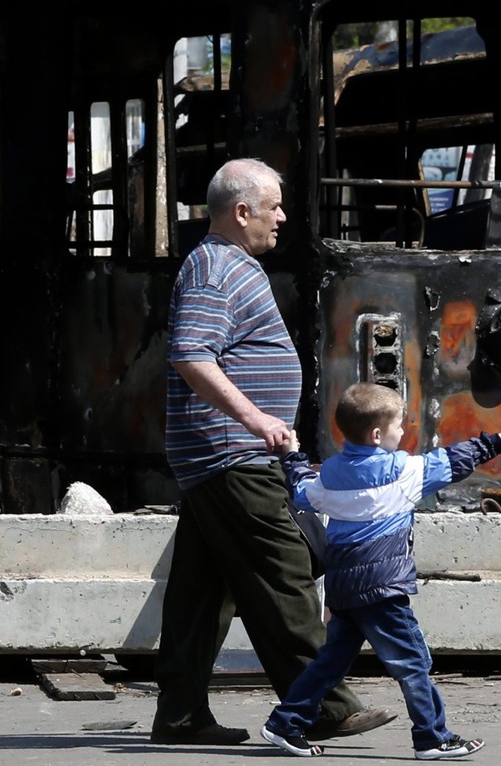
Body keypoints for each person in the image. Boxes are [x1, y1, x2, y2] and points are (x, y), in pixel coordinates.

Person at [152, 159, 397, 745]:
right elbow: (191, 354)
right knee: (283, 571)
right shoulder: (216, 268)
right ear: (241, 212)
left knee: (201, 592)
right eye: (275, 207)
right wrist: (256, 417)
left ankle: (180, 717)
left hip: (219, 454)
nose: (283, 217)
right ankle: (325, 705)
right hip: (231, 452)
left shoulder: (226, 265)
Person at [259, 382, 501, 759]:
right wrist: (500, 440)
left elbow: (301, 490)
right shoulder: (405, 472)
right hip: (382, 589)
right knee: (413, 663)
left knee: (331, 663)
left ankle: (285, 723)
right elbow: (454, 459)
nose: (404, 431)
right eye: (399, 426)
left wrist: (291, 455)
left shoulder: (330, 475)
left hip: (344, 586)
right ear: (378, 435)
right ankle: (432, 736)